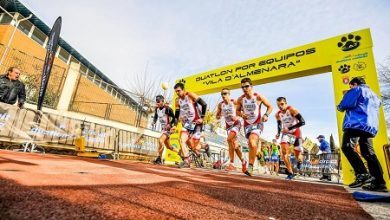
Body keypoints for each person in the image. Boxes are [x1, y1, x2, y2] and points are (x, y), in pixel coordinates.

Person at [337, 77, 387, 192]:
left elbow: (344, 105)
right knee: (368, 152)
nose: (350, 88)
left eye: (350, 86)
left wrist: (339, 106)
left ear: (354, 84)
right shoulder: (375, 96)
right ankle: (379, 181)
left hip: (356, 124)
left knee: (347, 147)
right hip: (370, 127)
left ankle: (362, 173)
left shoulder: (356, 89)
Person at [236, 78, 273, 176]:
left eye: (247, 86)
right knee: (251, 144)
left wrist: (266, 115)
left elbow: (270, 106)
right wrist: (242, 115)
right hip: (247, 124)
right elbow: (237, 111)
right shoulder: (240, 99)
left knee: (252, 143)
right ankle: (257, 155)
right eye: (242, 87)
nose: (245, 88)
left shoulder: (258, 97)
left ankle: (251, 166)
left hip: (257, 123)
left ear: (251, 87)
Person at [173, 82, 207, 168]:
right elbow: (176, 114)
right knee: (183, 140)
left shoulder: (190, 95)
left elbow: (204, 104)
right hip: (188, 124)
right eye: (176, 91)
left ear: (183, 90)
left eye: (179, 91)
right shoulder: (177, 100)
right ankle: (187, 160)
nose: (177, 93)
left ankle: (205, 147)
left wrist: (202, 118)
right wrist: (174, 125)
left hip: (196, 122)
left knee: (194, 146)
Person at [216, 88, 248, 173]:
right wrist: (219, 117)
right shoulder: (220, 105)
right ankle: (243, 161)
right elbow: (217, 116)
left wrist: (238, 116)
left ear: (229, 94)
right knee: (235, 146)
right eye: (222, 94)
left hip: (237, 123)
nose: (223, 95)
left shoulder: (234, 102)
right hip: (228, 126)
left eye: (225, 93)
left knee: (229, 139)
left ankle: (232, 164)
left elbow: (243, 111)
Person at [275, 97, 306, 180]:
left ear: (286, 103)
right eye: (278, 105)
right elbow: (279, 125)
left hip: (296, 133)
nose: (280, 106)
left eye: (282, 104)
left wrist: (289, 128)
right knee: (283, 152)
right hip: (286, 134)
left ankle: (300, 161)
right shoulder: (277, 114)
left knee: (297, 155)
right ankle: (290, 173)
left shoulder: (292, 110)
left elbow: (303, 122)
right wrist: (278, 133)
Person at [151, 95, 179, 165]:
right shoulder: (157, 109)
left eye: (158, 102)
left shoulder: (168, 109)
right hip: (163, 129)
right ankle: (181, 153)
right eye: (156, 101)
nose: (157, 103)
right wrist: (154, 122)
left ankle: (159, 158)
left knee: (160, 140)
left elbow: (175, 118)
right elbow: (155, 116)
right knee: (169, 146)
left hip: (169, 129)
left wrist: (171, 124)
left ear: (162, 101)